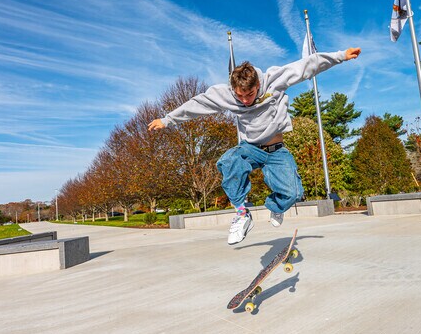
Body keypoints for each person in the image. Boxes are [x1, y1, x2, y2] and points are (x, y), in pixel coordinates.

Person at [148, 47, 361, 244]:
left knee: (293, 194)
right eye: (240, 96)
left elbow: (307, 66)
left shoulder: (274, 80)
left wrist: (341, 56)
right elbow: (197, 104)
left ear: (257, 84)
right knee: (229, 161)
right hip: (250, 149)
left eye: (249, 94)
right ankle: (242, 214)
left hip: (277, 151)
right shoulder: (225, 94)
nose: (245, 101)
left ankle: (276, 208)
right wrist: (167, 120)